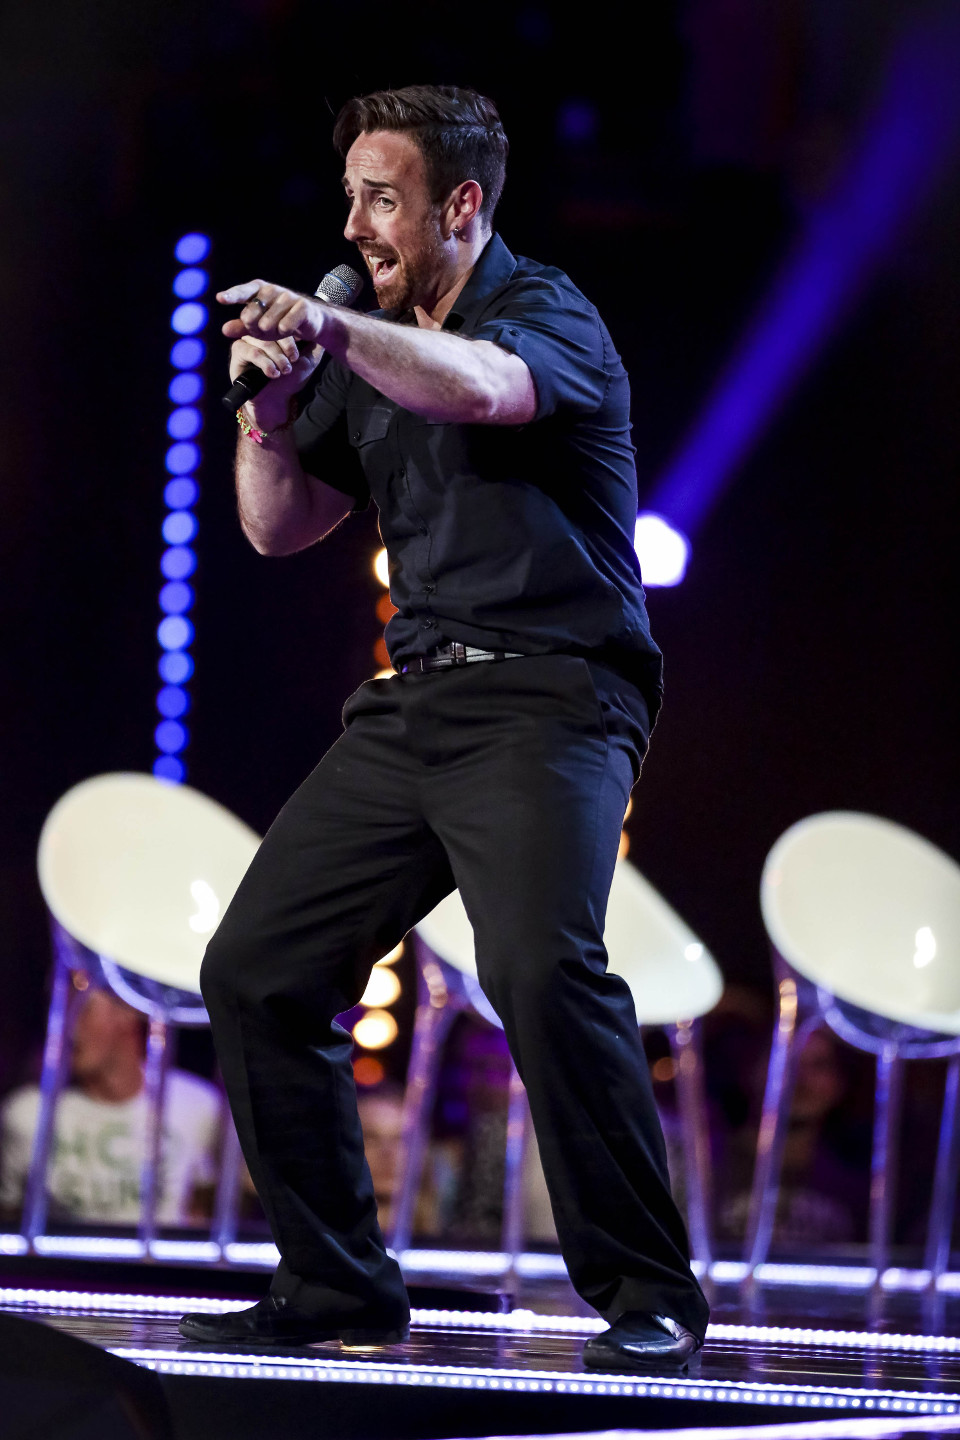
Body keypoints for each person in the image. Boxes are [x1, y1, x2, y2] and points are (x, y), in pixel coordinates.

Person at [179, 84, 709, 1371]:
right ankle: (336, 1285)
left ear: (461, 205)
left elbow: (483, 390)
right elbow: (276, 526)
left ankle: (647, 1294)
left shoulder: (542, 311)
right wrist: (265, 410)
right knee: (256, 971)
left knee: (537, 967)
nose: (355, 225)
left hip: (553, 696)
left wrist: (334, 332)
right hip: (415, 701)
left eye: (383, 198)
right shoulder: (367, 344)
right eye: (350, 195)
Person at [0, 986, 221, 1226]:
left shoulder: (198, 1106)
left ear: (127, 1011)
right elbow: (9, 1223)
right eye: (59, 1011)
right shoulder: (28, 1114)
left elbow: (205, 1214)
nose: (67, 1028)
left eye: (82, 1009)